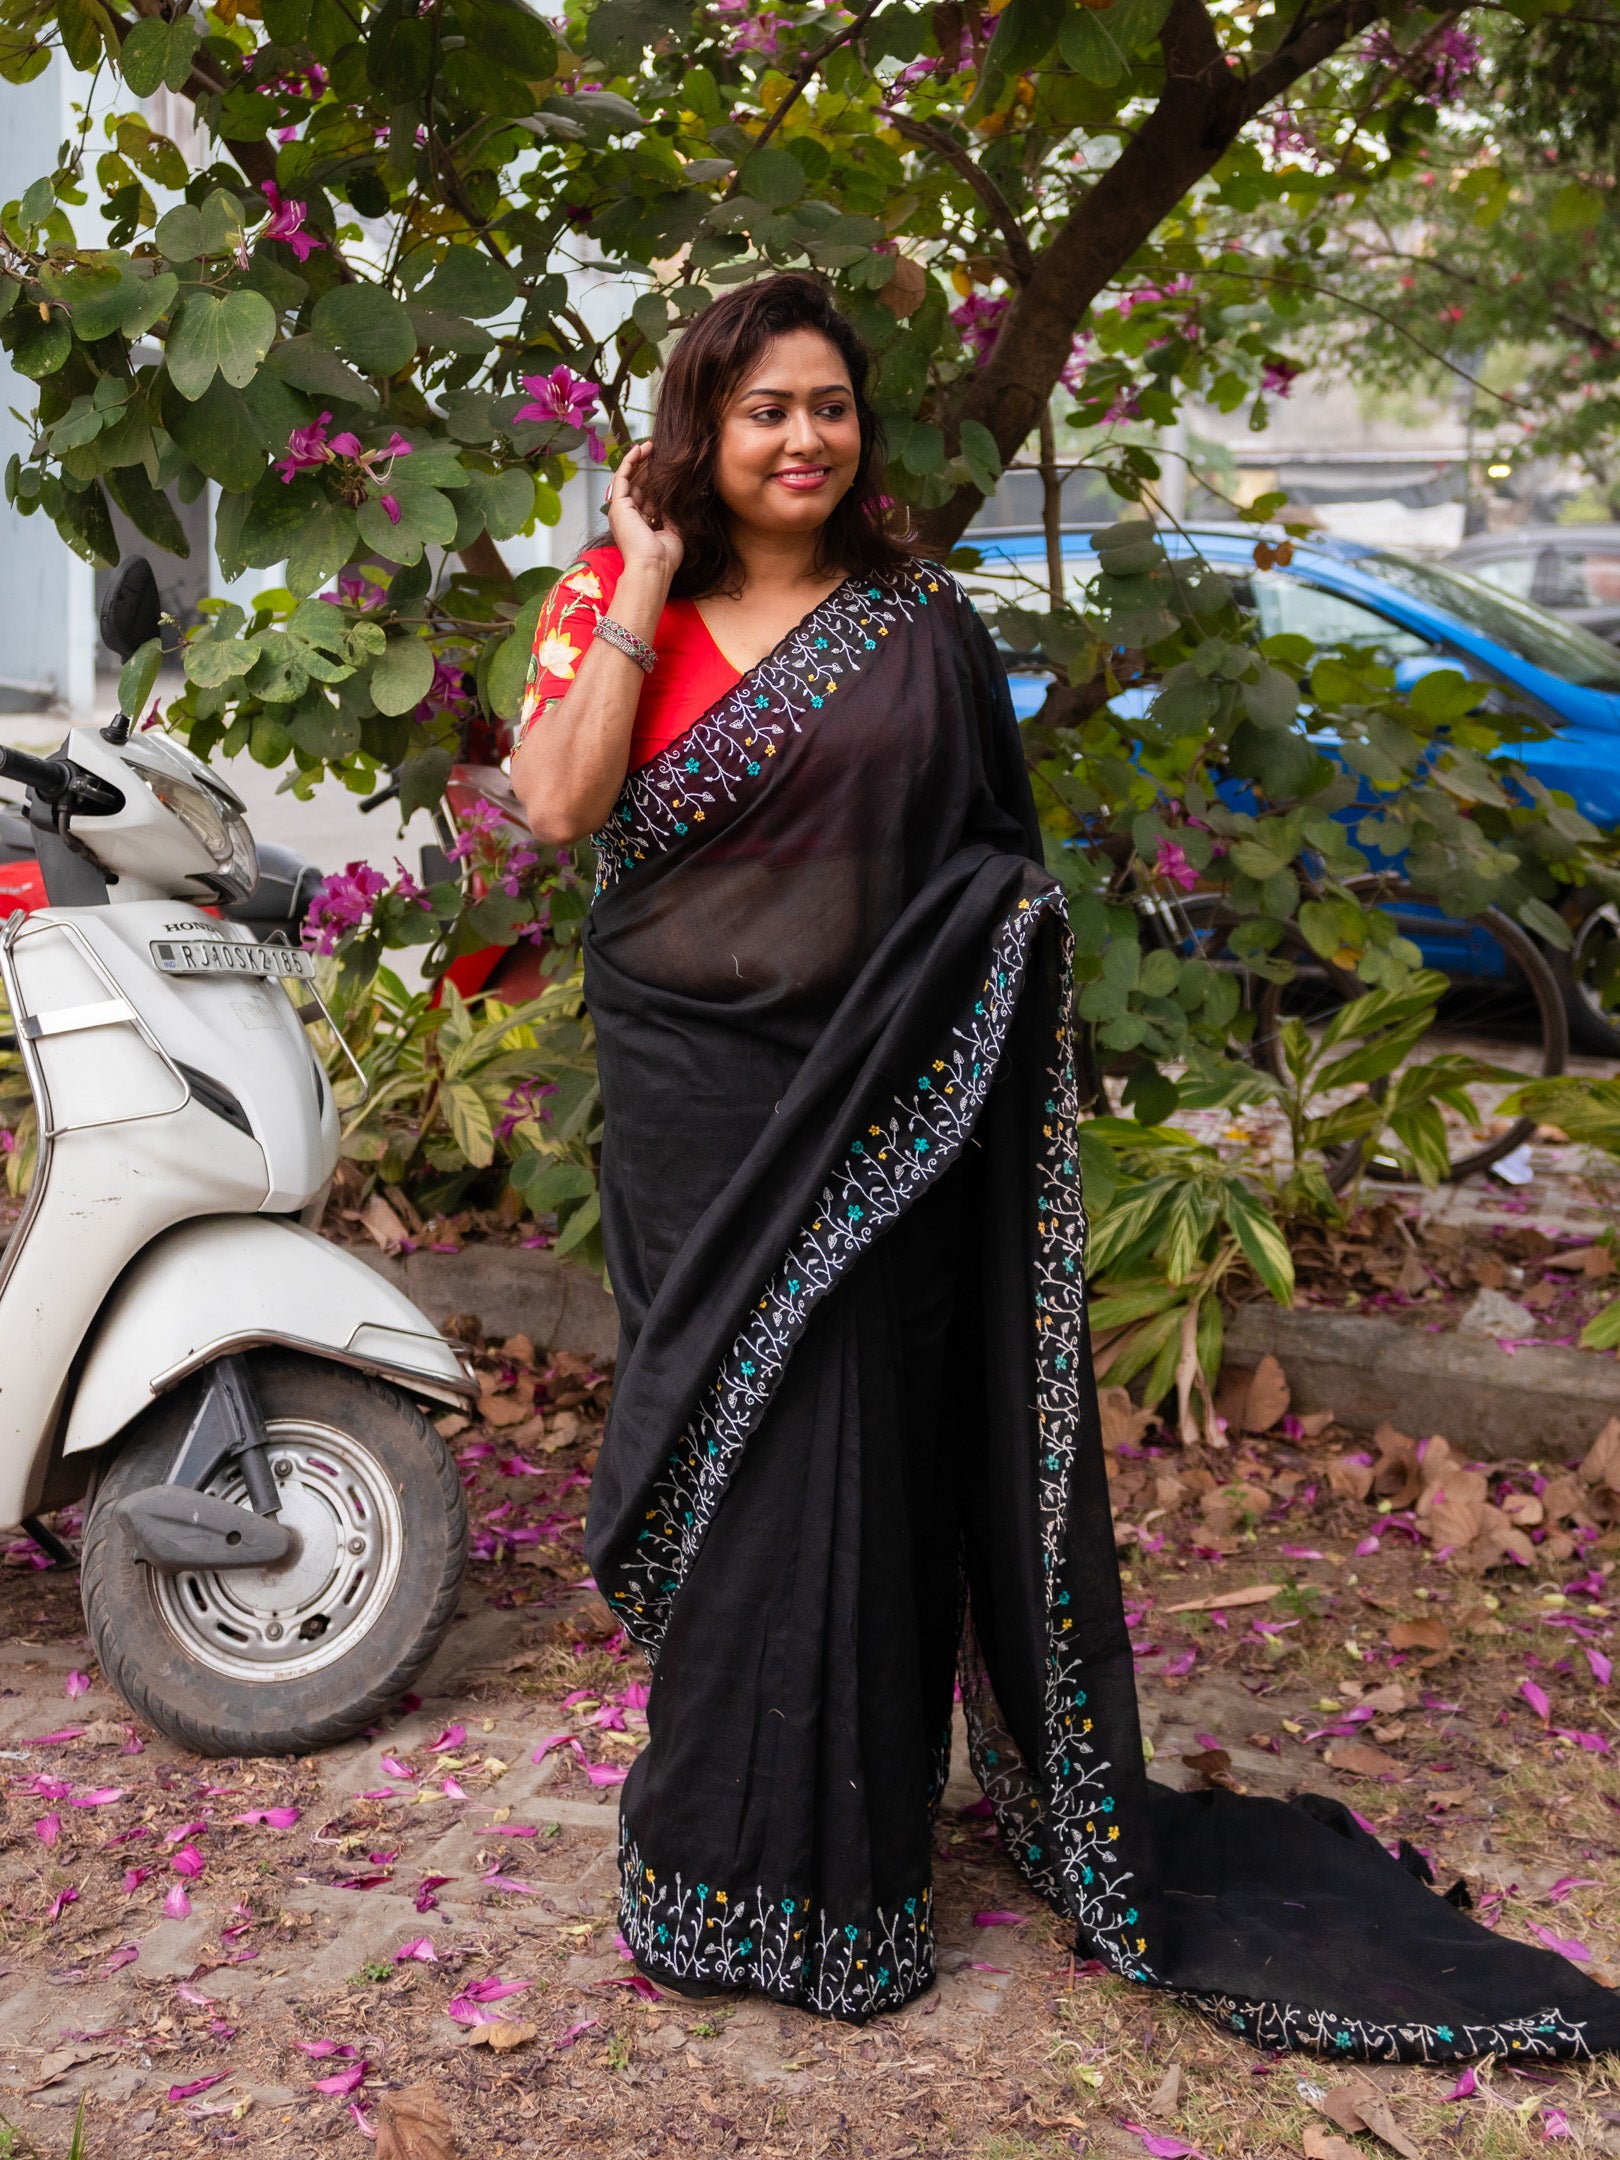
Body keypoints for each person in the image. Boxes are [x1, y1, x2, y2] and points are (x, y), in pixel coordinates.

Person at [510, 274, 1619, 2058]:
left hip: (876, 1124)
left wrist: (990, 963)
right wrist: (638, 570)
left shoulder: (919, 629)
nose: (805, 438)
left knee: (851, 1457)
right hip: (692, 1113)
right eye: (765, 409)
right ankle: (711, 1847)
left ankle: (845, 1881)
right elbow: (561, 813)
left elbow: (981, 867)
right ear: (701, 432)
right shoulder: (613, 601)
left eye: (831, 406)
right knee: (727, 1475)